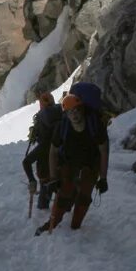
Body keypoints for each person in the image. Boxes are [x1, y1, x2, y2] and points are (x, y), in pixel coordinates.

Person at [37, 89, 109, 234]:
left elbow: (104, 151)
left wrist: (103, 178)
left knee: (84, 195)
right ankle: (53, 222)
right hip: (69, 162)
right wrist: (53, 178)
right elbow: (53, 152)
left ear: (82, 109)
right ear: (66, 115)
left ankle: (75, 226)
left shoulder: (95, 125)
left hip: (90, 163)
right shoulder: (62, 127)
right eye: (70, 112)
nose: (74, 115)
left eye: (76, 110)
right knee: (64, 193)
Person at [22, 92, 63, 211]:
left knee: (43, 203)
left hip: (45, 169)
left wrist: (31, 180)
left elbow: (26, 162)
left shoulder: (41, 118)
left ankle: (43, 213)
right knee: (64, 199)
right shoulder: (61, 112)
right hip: (63, 168)